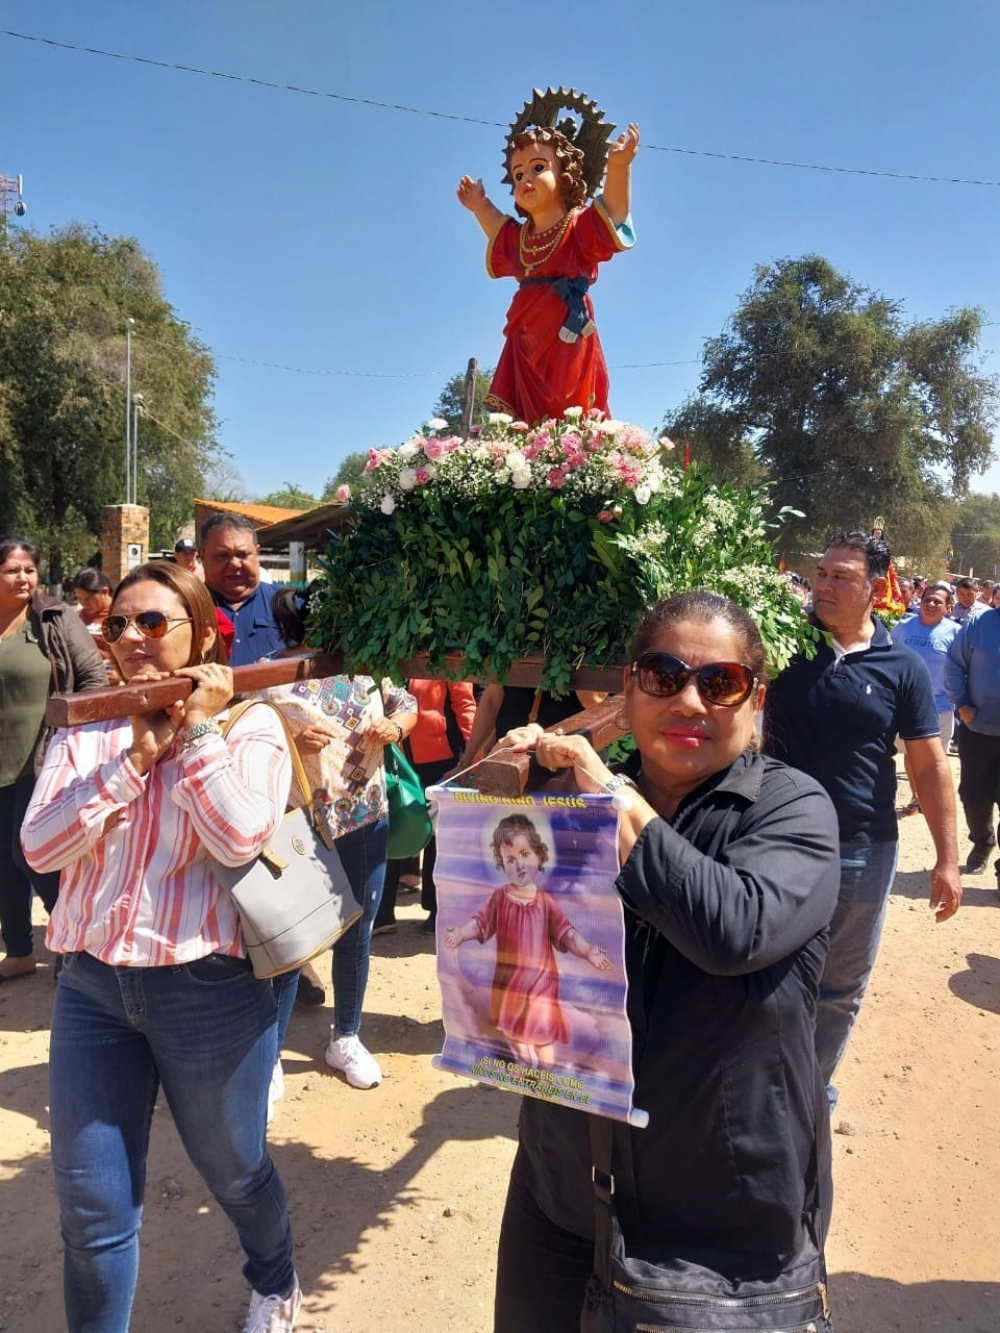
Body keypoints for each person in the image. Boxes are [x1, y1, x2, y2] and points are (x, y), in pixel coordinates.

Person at [491, 590, 840, 1332]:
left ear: (756, 698)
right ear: (629, 689)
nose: (689, 700)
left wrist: (613, 800)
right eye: (663, 675)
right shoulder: (567, 804)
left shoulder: (793, 811)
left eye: (719, 683)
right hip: (562, 1185)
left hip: (717, 1215)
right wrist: (491, 790)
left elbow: (733, 930)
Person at [21, 560, 302, 1332]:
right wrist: (134, 761)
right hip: (91, 989)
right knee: (91, 1212)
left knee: (236, 1169)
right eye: (117, 625)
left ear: (203, 631)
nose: (131, 638)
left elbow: (240, 832)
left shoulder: (251, 724)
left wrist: (197, 732)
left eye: (154, 622)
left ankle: (275, 1277)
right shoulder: (90, 727)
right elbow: (39, 847)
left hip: (207, 989)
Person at [765, 530, 961, 1103]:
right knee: (765, 969)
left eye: (840, 577)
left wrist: (947, 860)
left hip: (862, 846)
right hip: (775, 839)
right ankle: (759, 1090)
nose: (822, 585)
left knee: (839, 987)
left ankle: (806, 1096)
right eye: (821, 573)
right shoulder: (785, 645)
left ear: (875, 589)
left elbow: (927, 767)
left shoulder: (901, 667)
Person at [261, 587, 417, 1090]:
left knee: (359, 930)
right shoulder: (267, 675)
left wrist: (395, 725)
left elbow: (406, 702)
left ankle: (345, 1036)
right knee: (291, 940)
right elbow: (238, 732)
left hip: (365, 817)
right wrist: (285, 738)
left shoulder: (366, 668)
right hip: (298, 826)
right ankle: (270, 1056)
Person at [457, 119, 638, 422]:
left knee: (566, 402)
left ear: (565, 173)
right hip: (525, 333)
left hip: (568, 328)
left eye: (538, 167)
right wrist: (479, 204)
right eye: (518, 174)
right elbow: (496, 228)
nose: (526, 179)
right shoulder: (519, 238)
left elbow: (615, 212)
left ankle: (570, 456)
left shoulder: (578, 225)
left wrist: (619, 167)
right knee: (524, 416)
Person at [0, 536, 105, 982]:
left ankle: (77, 935)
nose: (23, 577)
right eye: (11, 570)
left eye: (28, 568)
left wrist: (73, 736)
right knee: (2, 861)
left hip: (45, 755)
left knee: (31, 854)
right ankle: (20, 950)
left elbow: (94, 679)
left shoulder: (54, 618)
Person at [443, 812, 612, 1066]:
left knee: (543, 1035)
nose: (519, 864)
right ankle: (524, 1066)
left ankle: (545, 1073)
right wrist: (459, 933)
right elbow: (479, 923)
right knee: (514, 1033)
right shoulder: (499, 898)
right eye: (510, 859)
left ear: (539, 856)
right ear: (501, 863)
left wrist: (589, 951)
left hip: (542, 983)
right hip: (510, 982)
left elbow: (568, 934)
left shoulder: (545, 902)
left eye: (525, 855)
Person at [374, 676, 476, 935]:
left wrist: (475, 756)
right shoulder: (392, 650)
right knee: (396, 822)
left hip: (443, 756)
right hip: (398, 752)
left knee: (437, 835)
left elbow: (465, 704)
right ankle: (383, 913)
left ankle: (436, 911)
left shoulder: (447, 649)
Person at [892, 582, 961, 815]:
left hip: (939, 706)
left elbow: (963, 666)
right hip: (905, 704)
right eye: (927, 600)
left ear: (948, 608)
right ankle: (917, 797)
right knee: (911, 754)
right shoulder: (903, 628)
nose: (930, 604)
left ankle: (938, 801)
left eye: (937, 602)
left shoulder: (955, 633)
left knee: (936, 759)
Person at [945, 599, 1000, 881]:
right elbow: (954, 662)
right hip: (978, 729)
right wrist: (962, 703)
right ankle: (982, 842)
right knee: (973, 794)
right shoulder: (981, 623)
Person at [200, 513, 282, 664]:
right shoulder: (186, 609)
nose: (235, 564)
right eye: (222, 556)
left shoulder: (289, 604)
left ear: (257, 553)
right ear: (202, 557)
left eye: (243, 555)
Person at [72, 567, 114, 663]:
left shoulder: (119, 613)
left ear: (104, 592)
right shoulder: (80, 614)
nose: (83, 603)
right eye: (79, 598)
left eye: (88, 599)